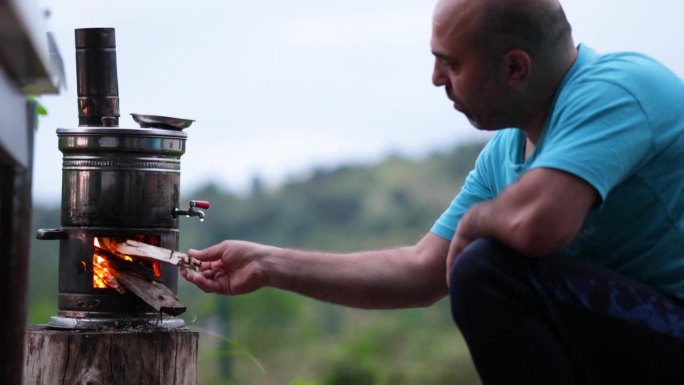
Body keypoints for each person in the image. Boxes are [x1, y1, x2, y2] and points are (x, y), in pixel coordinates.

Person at [182, 0, 684, 383]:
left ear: (515, 67)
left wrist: (476, 221)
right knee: (480, 264)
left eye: (452, 64)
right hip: (639, 340)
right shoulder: (506, 154)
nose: (435, 79)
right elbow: (422, 271)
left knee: (487, 267)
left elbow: (539, 224)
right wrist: (269, 265)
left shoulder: (619, 88)